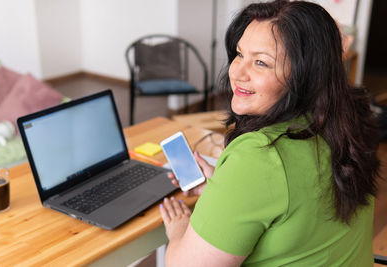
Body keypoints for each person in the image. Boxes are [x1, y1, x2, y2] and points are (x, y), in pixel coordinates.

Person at [159, 0, 380, 266]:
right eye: (239, 54)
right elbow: (294, 211)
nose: (237, 72)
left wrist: (178, 229)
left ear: (304, 75)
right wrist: (222, 189)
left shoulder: (259, 156)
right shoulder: (347, 126)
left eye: (261, 63)